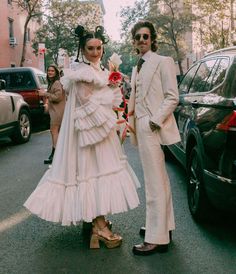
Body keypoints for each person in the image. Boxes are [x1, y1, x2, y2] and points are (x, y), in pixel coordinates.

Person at [24, 25, 140, 249]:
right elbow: (87, 102)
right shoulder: (82, 72)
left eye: (99, 48)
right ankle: (98, 226)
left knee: (99, 174)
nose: (95, 52)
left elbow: (107, 98)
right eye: (90, 48)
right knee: (93, 173)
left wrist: (113, 87)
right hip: (90, 131)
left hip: (98, 129)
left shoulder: (98, 69)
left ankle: (98, 221)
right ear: (82, 49)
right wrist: (110, 102)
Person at [128, 21, 181, 255]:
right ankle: (162, 227)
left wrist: (153, 121)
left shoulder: (163, 62)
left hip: (151, 125)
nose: (142, 40)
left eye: (145, 36)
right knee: (159, 179)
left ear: (152, 39)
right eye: (138, 37)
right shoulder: (136, 67)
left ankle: (156, 239)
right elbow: (135, 96)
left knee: (154, 183)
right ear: (134, 40)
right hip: (140, 125)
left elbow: (172, 97)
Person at [44, 65, 66, 164]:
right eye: (49, 70)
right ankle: (57, 154)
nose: (50, 72)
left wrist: (45, 94)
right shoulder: (52, 82)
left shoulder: (57, 82)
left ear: (56, 72)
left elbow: (58, 97)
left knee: (54, 131)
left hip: (58, 111)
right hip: (56, 111)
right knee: (56, 132)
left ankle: (54, 155)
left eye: (52, 71)